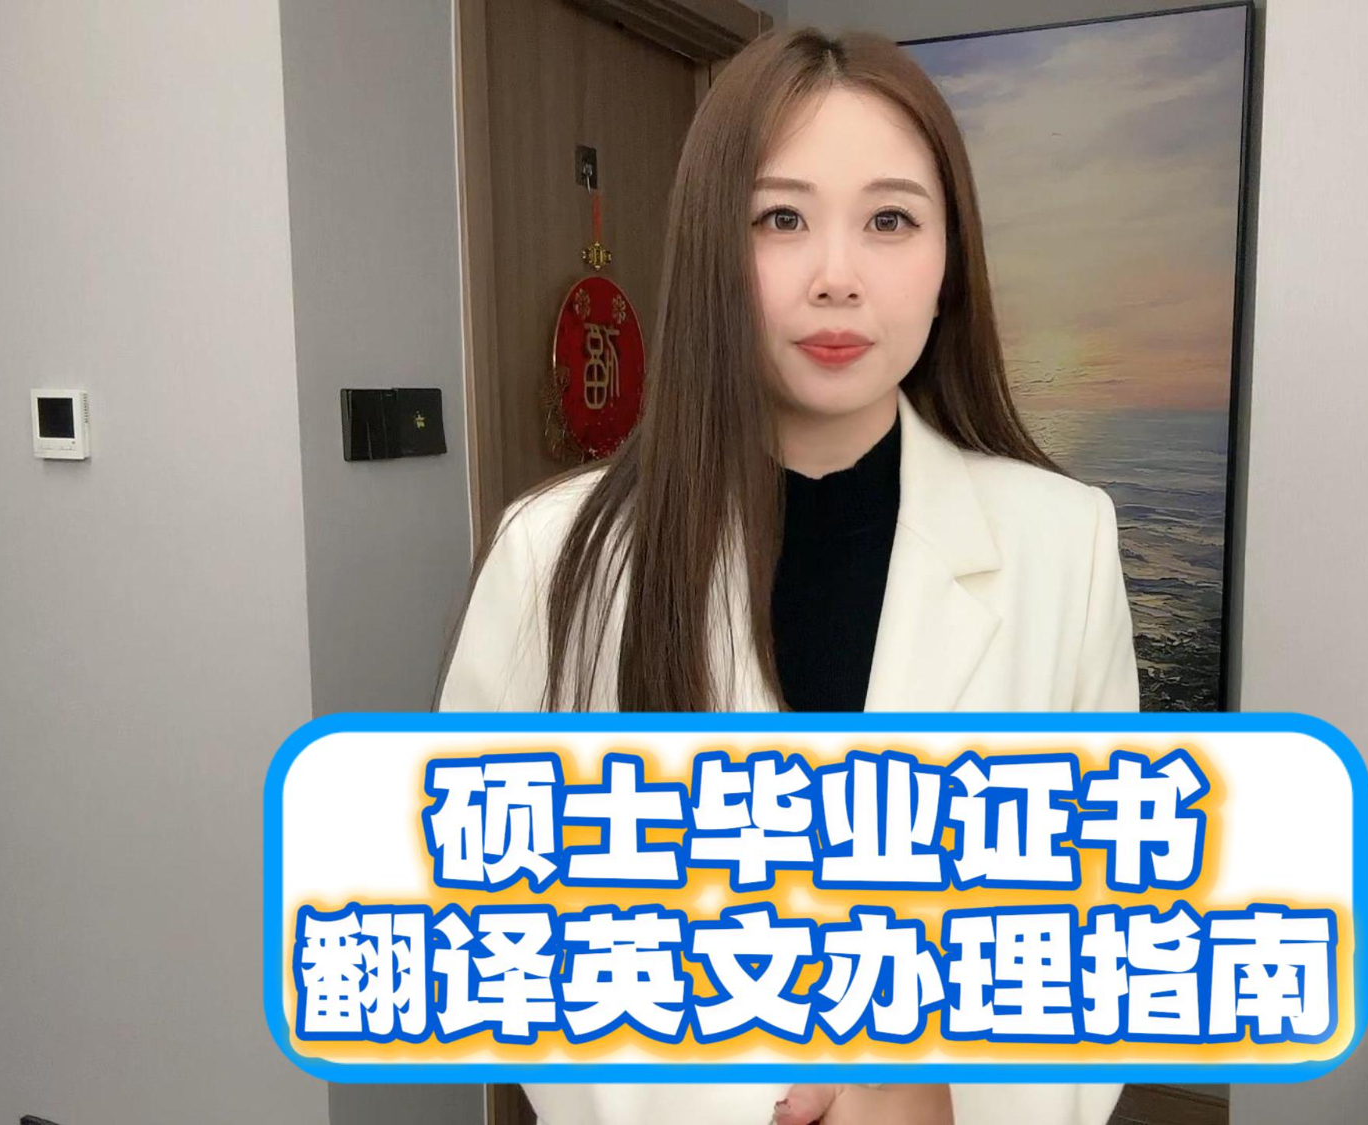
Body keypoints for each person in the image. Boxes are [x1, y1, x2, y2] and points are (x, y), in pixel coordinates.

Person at [437, 25, 1139, 1125]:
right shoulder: (555, 553)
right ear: (713, 252)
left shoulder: (1065, 541)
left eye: (890, 220)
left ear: (950, 264)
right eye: (780, 219)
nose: (836, 279)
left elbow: (1111, 925)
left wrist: (937, 1092)